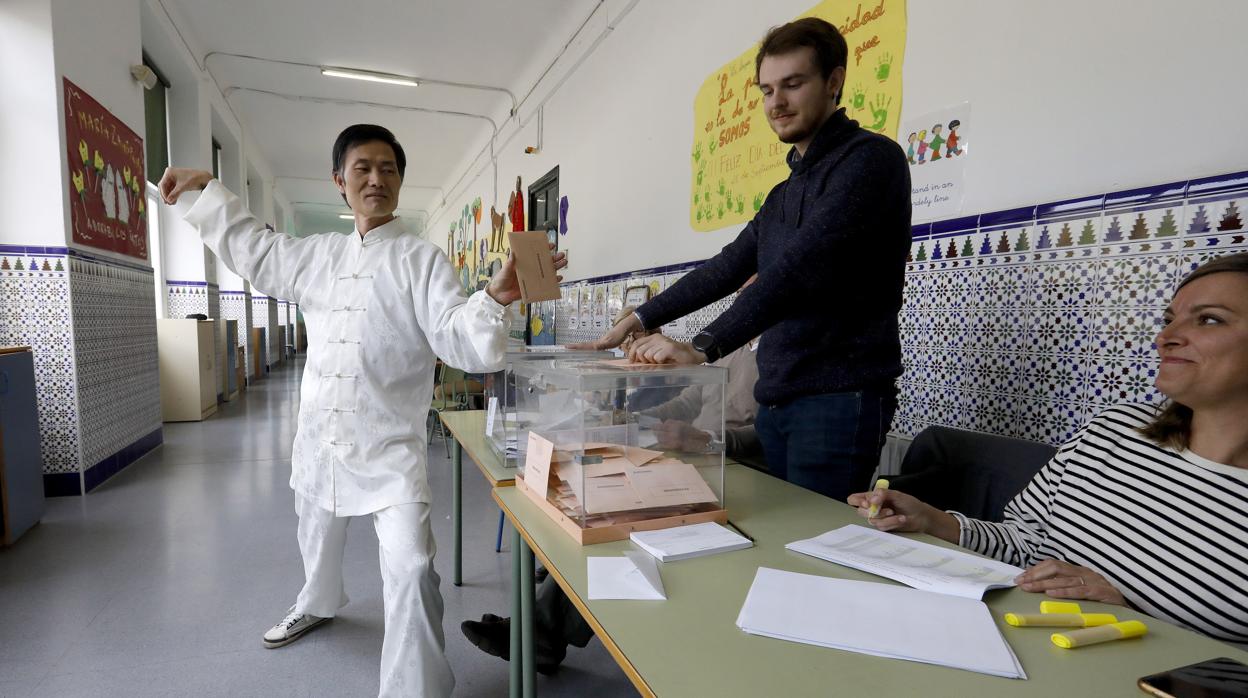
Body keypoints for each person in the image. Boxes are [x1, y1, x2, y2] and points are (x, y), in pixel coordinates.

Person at [159, 124, 567, 697]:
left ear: (400, 181)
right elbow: (257, 250)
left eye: (389, 169)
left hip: (388, 449)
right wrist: (206, 193)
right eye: (362, 168)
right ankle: (316, 604)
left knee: (411, 567)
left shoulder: (422, 261)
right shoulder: (317, 256)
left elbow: (457, 339)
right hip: (321, 436)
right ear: (340, 183)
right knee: (315, 538)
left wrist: (495, 299)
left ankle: (414, 689)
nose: (377, 179)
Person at [577, 17, 911, 502]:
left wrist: (702, 347)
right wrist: (638, 318)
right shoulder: (783, 193)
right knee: (782, 544)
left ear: (834, 82)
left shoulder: (870, 161)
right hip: (776, 399)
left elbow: (798, 269)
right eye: (767, 89)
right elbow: (727, 265)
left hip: (837, 398)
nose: (776, 102)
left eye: (793, 84)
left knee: (813, 550)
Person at [849, 252, 1248, 647]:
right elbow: (1025, 543)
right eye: (1169, 319)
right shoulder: (1115, 430)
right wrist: (933, 521)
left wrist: (1133, 617)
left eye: (1209, 319)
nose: (1165, 337)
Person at [461, 335, 764, 672]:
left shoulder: (779, 353)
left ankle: (542, 634)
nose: (741, 290)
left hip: (729, 467)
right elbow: (690, 399)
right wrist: (632, 420)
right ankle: (544, 611)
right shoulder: (729, 347)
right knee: (594, 507)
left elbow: (770, 431)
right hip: (685, 459)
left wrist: (711, 440)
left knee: (624, 528)